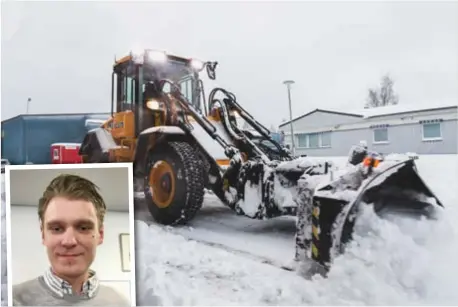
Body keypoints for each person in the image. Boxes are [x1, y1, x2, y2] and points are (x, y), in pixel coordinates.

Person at [12, 174, 130, 306]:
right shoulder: (13, 300)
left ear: (100, 235)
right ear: (43, 235)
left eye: (83, 228)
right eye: (56, 229)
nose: (69, 241)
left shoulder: (120, 302)